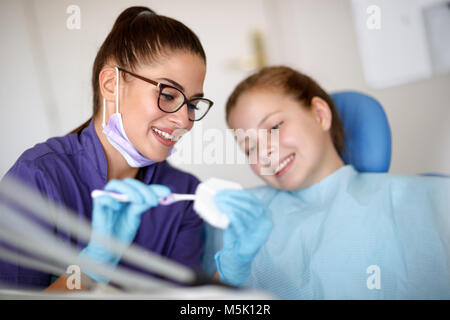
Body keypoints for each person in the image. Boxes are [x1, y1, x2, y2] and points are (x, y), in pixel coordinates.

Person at [0, 6, 214, 290]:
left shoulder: (183, 195)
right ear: (111, 84)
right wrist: (93, 266)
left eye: (192, 104)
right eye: (168, 94)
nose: (185, 119)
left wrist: (231, 274)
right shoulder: (39, 177)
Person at [211, 66, 450, 299]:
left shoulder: (423, 199)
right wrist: (230, 275)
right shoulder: (245, 215)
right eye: (249, 147)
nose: (264, 152)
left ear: (320, 114)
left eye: (274, 127)